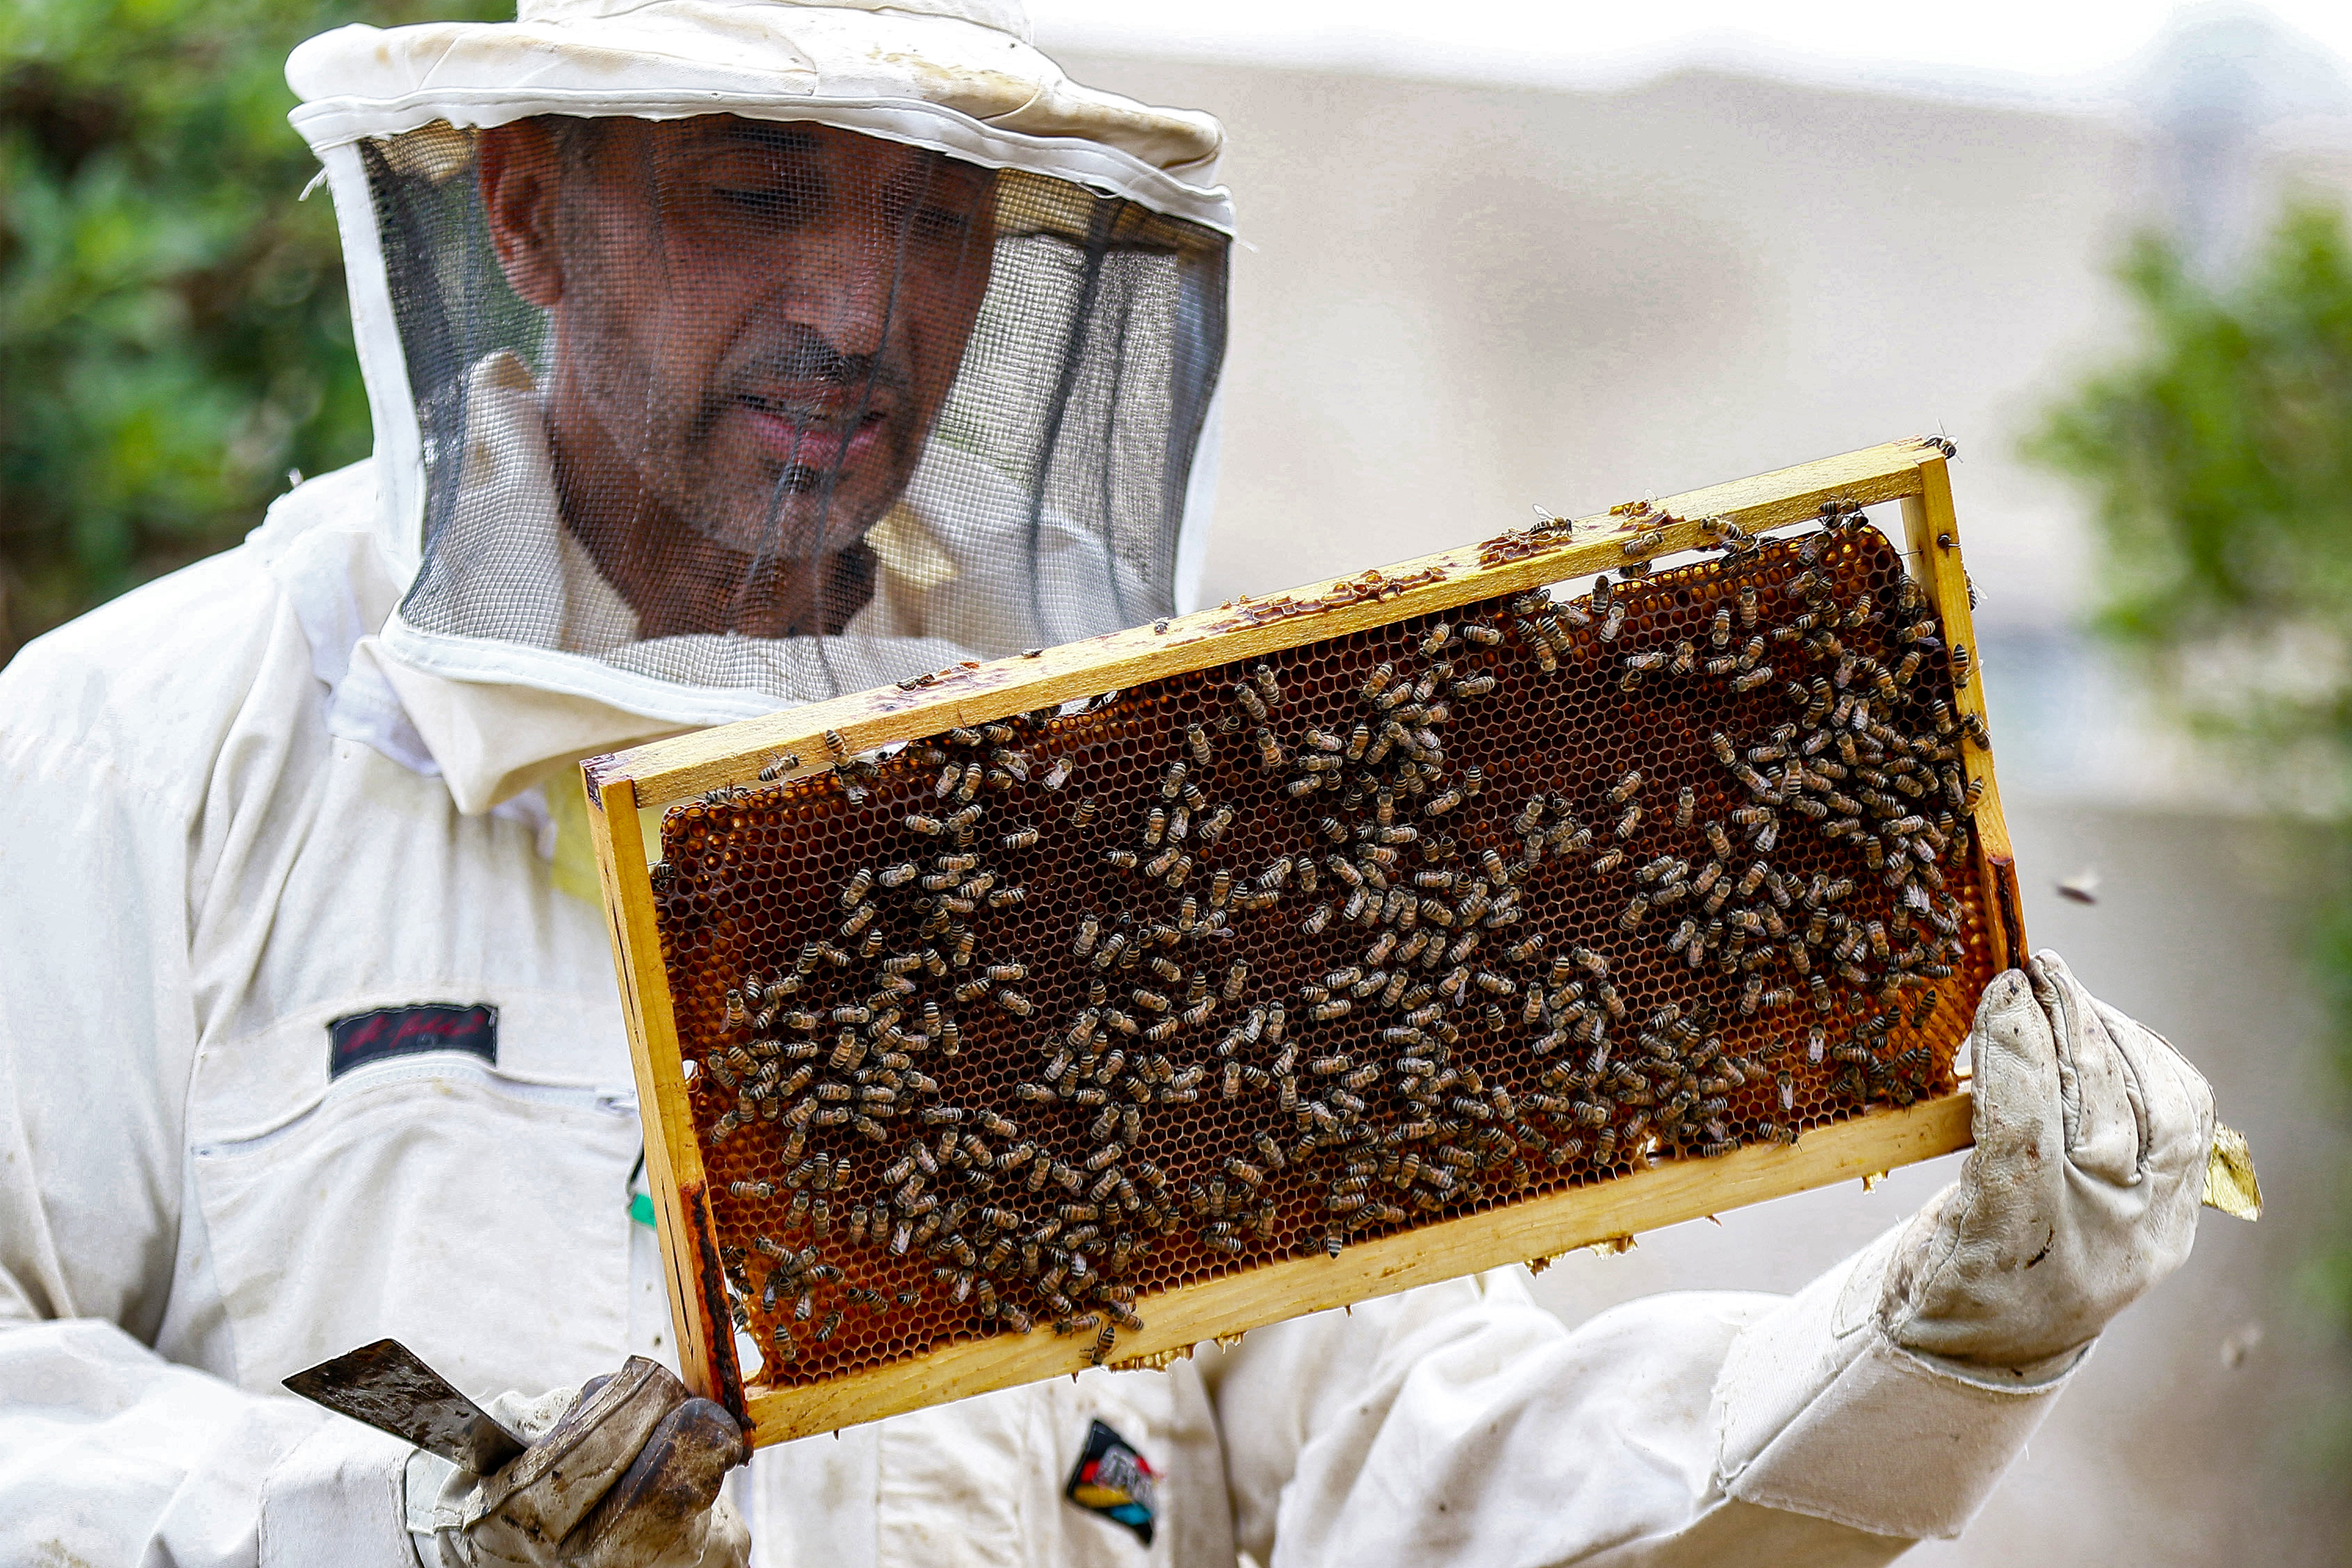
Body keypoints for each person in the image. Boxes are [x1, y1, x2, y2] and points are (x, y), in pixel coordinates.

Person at [0, 2, 2215, 1565]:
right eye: (756, 193)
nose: (857, 305)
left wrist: (1929, 1335)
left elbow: (1417, 1464)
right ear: (526, 213)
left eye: (933, 220)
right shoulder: (155, 749)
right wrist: (377, 1528)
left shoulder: (1123, 821)